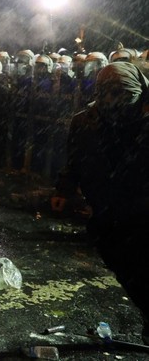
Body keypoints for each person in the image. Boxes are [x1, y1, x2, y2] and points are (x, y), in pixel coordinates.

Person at [50, 62, 149, 345]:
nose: (112, 102)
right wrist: (64, 189)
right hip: (105, 209)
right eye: (107, 93)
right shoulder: (85, 121)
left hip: (142, 210)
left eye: (121, 94)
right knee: (122, 266)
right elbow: (74, 158)